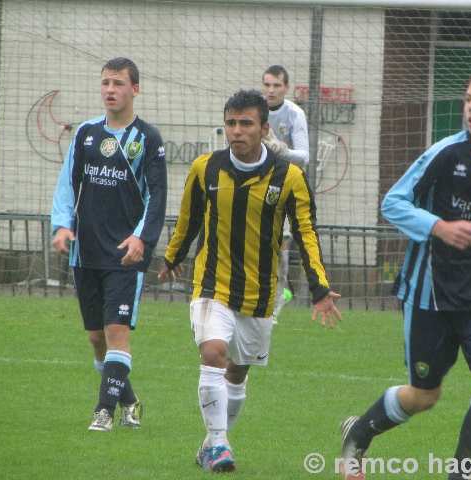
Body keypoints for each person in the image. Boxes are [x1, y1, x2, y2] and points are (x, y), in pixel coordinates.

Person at [339, 70, 471, 480]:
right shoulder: (446, 153)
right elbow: (392, 203)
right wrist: (439, 227)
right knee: (424, 396)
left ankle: (460, 475)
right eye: (468, 99)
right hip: (431, 290)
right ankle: (359, 432)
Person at [158, 89, 341, 473]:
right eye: (230, 123)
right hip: (212, 284)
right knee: (212, 354)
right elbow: (188, 219)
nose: (236, 131)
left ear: (264, 128)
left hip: (259, 296)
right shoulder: (204, 168)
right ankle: (221, 446)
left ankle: (211, 441)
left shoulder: (288, 176)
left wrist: (320, 288)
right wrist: (173, 256)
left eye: (245, 124)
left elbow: (306, 232)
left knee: (237, 375)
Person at [51, 57, 167, 432]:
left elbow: (158, 196)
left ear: (134, 89)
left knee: (117, 331)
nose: (110, 90)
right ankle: (130, 401)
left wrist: (142, 238)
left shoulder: (148, 140)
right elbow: (68, 185)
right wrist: (61, 226)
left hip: (125, 254)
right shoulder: (86, 133)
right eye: (105, 83)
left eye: (118, 83)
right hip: (85, 252)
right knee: (96, 337)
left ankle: (103, 411)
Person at [261, 65, 310, 322]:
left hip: (283, 188)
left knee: (279, 246)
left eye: (276, 85)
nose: (271, 90)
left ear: (286, 88)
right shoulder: (254, 109)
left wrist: (280, 150)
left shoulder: (294, 114)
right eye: (267, 85)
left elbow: (304, 157)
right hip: (254, 184)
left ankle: (276, 303)